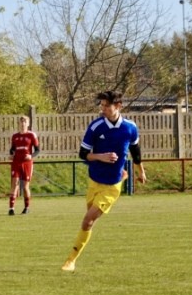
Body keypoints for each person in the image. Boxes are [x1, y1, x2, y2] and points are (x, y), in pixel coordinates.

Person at [61, 90, 146, 272]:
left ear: (118, 106)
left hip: (111, 186)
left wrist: (141, 172)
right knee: (89, 222)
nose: (103, 108)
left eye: (107, 106)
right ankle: (73, 258)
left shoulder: (130, 128)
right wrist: (101, 156)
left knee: (87, 220)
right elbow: (83, 154)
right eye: (102, 105)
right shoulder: (96, 126)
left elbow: (136, 152)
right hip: (94, 181)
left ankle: (71, 260)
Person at [8, 115, 40, 215]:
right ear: (19, 123)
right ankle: (11, 208)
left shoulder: (31, 135)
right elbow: (12, 149)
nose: (23, 124)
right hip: (16, 162)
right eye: (21, 122)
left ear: (28, 124)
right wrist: (11, 154)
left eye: (25, 122)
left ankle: (27, 207)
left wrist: (31, 156)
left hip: (26, 163)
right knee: (14, 184)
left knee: (25, 186)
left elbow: (37, 150)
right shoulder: (15, 136)